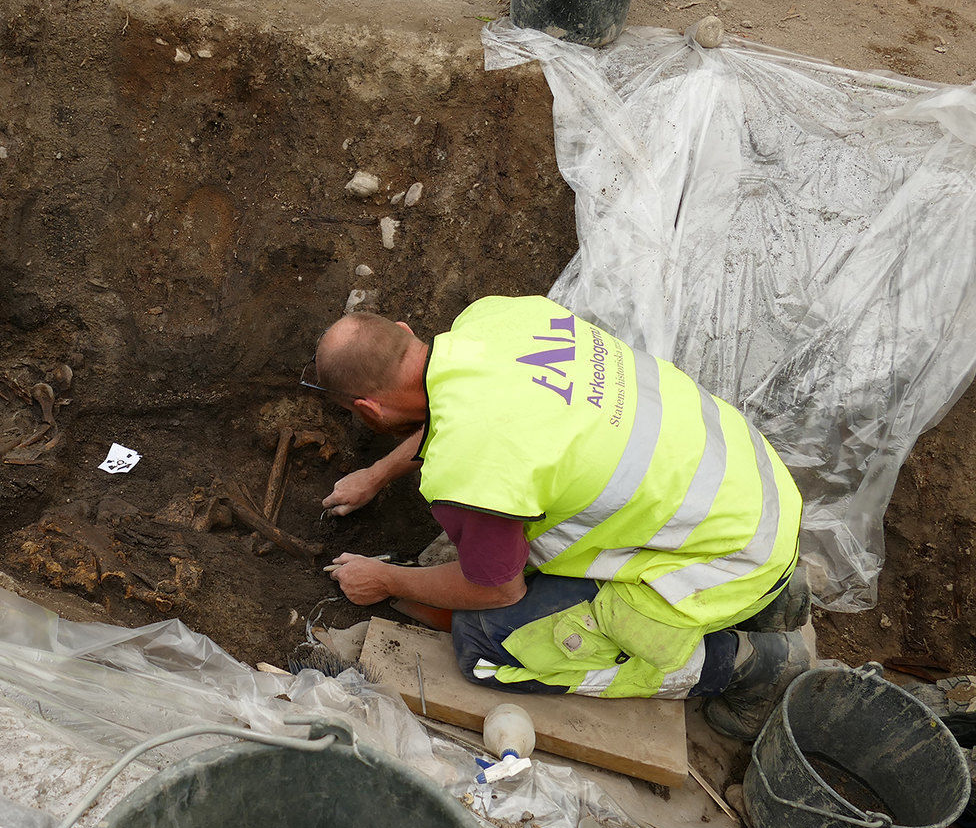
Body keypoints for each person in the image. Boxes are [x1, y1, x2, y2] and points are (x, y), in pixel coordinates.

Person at [306, 296, 810, 739]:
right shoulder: (494, 319)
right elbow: (470, 409)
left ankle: (748, 666)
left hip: (727, 559)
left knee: (482, 643)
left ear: (368, 407)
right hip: (757, 492)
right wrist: (378, 473)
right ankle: (780, 598)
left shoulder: (470, 472)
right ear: (407, 334)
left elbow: (499, 591)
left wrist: (387, 580)